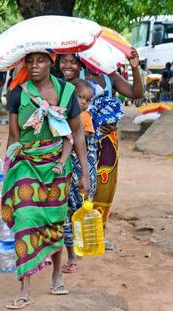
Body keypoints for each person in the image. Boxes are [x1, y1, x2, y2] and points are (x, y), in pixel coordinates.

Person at [3, 52, 90, 309]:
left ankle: (57, 274)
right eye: (29, 61)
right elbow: (13, 137)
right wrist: (9, 170)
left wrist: (84, 172)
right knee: (25, 219)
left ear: (51, 62)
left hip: (58, 166)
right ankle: (25, 284)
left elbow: (76, 132)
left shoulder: (67, 92)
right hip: (26, 163)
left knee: (55, 219)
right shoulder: (18, 94)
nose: (34, 66)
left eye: (40, 60)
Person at [60, 51, 143, 250]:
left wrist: (134, 66)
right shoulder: (73, 75)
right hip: (78, 141)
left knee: (103, 186)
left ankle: (96, 231)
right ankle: (71, 234)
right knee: (74, 185)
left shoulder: (110, 76)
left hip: (106, 141)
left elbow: (136, 93)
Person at [62, 78, 95, 273]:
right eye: (80, 97)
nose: (83, 102)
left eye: (87, 100)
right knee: (65, 214)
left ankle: (78, 248)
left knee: (78, 212)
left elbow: (83, 138)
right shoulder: (64, 115)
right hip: (65, 175)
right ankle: (71, 253)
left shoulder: (85, 118)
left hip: (79, 177)